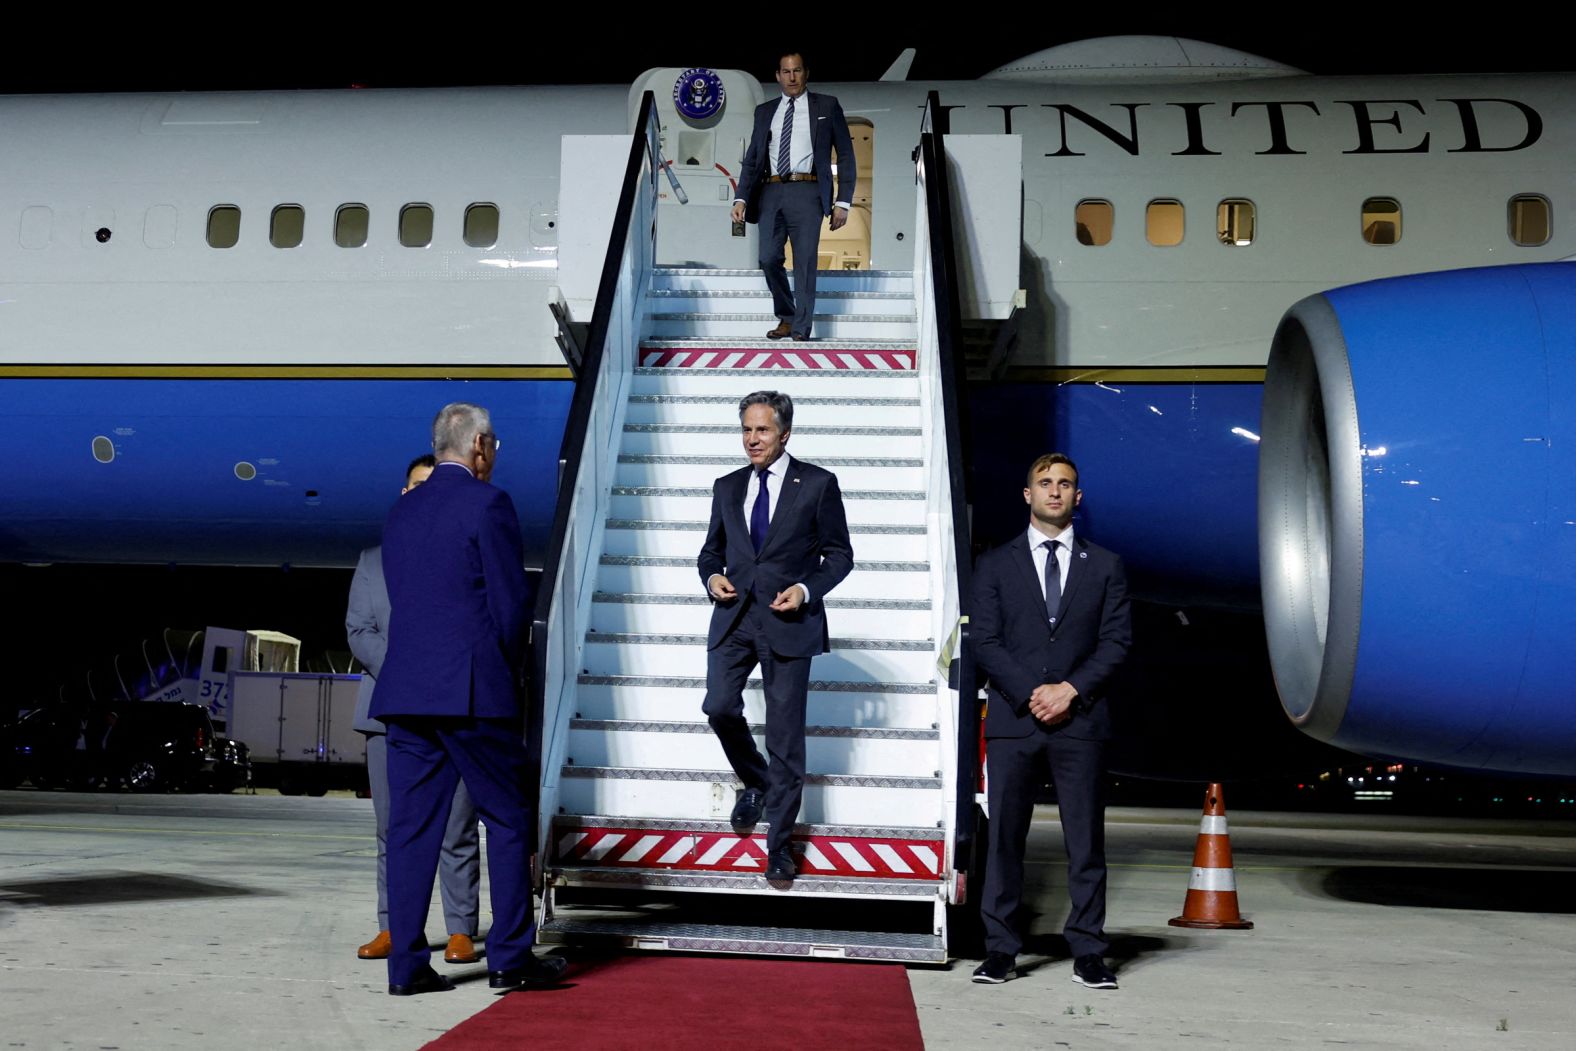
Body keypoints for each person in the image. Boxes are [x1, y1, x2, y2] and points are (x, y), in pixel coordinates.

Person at [371, 403, 565, 996]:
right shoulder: (490, 504)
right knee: (506, 819)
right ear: (479, 446)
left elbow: (408, 598)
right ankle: (509, 958)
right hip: (473, 692)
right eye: (494, 445)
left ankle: (405, 967)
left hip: (406, 692)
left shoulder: (400, 512)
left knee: (408, 831)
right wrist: (508, 674)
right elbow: (509, 608)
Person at [969, 453, 1132, 988]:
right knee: (1004, 842)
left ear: (1078, 497)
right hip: (1016, 721)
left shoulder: (1105, 565)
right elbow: (985, 641)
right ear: (1027, 494)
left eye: (1065, 484)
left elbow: (1116, 642)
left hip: (1080, 722)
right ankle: (1000, 950)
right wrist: (1031, 692)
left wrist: (1070, 690)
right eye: (1045, 483)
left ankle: (1088, 951)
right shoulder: (994, 564)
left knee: (1085, 842)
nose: (1055, 492)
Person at [698, 390, 853, 882]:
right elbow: (710, 553)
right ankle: (757, 781)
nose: (751, 439)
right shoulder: (727, 486)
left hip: (789, 622)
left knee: (786, 740)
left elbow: (840, 555)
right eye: (746, 429)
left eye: (761, 430)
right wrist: (711, 577)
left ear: (784, 433)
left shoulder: (818, 484)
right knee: (719, 706)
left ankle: (779, 844)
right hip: (735, 617)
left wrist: (806, 590)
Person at [347, 453, 483, 967]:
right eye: (414, 487)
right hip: (387, 712)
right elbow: (359, 631)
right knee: (391, 827)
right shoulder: (372, 559)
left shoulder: (465, 556)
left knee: (455, 825)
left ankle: (460, 929)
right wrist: (408, 670)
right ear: (405, 494)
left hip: (453, 707)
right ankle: (393, 926)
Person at [730, 51, 857, 342]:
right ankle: (786, 316)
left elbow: (846, 155)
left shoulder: (826, 105)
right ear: (778, 76)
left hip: (808, 190)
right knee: (768, 258)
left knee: (805, 261)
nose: (792, 77)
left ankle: (800, 328)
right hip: (771, 191)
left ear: (806, 73)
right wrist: (741, 197)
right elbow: (753, 159)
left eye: (797, 71)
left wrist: (843, 201)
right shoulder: (764, 112)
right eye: (786, 72)